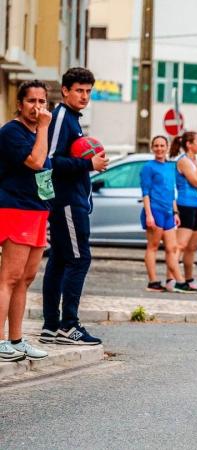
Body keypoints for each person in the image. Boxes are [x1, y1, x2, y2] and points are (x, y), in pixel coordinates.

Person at [41, 67, 108, 346]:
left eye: (88, 91)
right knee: (80, 259)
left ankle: (51, 326)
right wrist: (88, 164)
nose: (84, 96)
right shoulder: (61, 118)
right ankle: (69, 325)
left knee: (59, 259)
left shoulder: (72, 120)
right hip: (67, 202)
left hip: (73, 200)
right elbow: (49, 160)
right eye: (79, 90)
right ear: (66, 90)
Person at [0, 80, 52, 362]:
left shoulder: (39, 133)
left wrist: (48, 210)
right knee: (8, 277)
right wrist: (44, 128)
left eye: (42, 101)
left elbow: (46, 175)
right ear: (20, 104)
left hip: (37, 210)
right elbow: (36, 162)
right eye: (31, 101)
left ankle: (16, 339)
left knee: (26, 278)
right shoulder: (12, 132)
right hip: (15, 208)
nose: (37, 107)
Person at [140, 135, 190, 293]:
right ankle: (153, 282)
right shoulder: (148, 167)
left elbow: (171, 192)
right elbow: (145, 193)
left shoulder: (170, 167)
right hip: (154, 211)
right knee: (153, 247)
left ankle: (177, 281)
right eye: (156, 146)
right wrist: (149, 215)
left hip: (169, 213)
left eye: (162, 145)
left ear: (167, 147)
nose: (159, 148)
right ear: (152, 148)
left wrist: (175, 212)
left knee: (172, 248)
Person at [168, 131, 197, 293]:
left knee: (192, 247)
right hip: (185, 205)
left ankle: (189, 279)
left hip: (196, 206)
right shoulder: (184, 161)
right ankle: (172, 279)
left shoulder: (193, 160)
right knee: (181, 245)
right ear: (188, 145)